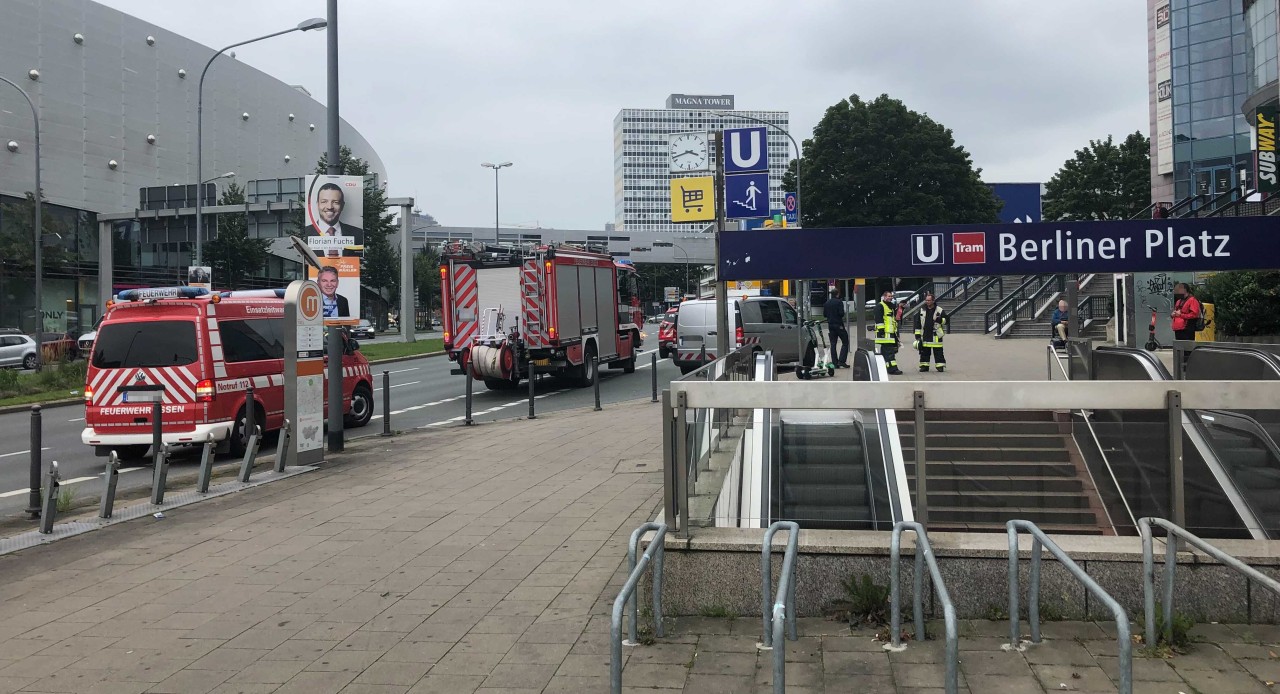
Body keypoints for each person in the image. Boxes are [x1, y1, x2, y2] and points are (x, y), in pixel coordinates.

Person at [307, 182, 365, 257]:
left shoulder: (357, 233)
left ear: (342, 206)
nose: (329, 207)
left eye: (335, 202)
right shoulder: (307, 233)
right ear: (317, 204)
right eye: (324, 201)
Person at [870, 288, 902, 375]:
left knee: (886, 352)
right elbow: (879, 319)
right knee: (890, 352)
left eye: (891, 296)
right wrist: (882, 331)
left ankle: (887, 367)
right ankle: (893, 369)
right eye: (888, 296)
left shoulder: (890, 306)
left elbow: (894, 319)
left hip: (890, 334)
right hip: (885, 334)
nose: (890, 298)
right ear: (884, 297)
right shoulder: (880, 306)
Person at [913, 292, 947, 372]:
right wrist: (917, 335)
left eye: (929, 300)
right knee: (924, 351)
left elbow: (946, 321)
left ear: (933, 301)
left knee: (938, 351)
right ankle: (924, 366)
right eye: (926, 300)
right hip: (925, 334)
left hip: (936, 334)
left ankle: (940, 366)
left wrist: (939, 320)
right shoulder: (922, 310)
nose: (927, 302)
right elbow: (918, 323)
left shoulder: (940, 310)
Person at [822, 287, 850, 368]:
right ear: (838, 294)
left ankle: (834, 362)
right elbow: (841, 313)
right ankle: (842, 361)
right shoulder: (839, 302)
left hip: (830, 325)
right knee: (845, 342)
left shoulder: (827, 303)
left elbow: (824, 315)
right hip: (839, 325)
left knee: (833, 343)